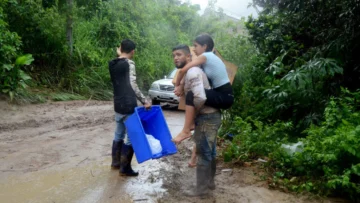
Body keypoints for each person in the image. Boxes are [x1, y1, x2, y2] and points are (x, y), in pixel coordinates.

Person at [172, 44, 221, 196]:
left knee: (204, 153)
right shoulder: (190, 72)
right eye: (173, 55)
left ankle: (202, 191)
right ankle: (209, 183)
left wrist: (193, 115)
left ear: (188, 56)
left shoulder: (193, 72)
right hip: (211, 116)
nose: (175, 58)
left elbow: (200, 97)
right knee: (210, 152)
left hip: (207, 117)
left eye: (179, 54)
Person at [172, 34, 234, 144]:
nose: (194, 49)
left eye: (195, 46)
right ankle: (190, 125)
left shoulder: (206, 56)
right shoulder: (209, 58)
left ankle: (186, 130)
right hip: (224, 94)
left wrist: (177, 86)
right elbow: (188, 71)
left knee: (191, 95)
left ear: (204, 46)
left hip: (224, 96)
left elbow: (182, 70)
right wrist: (182, 86)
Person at [109, 39, 150, 176]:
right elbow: (133, 85)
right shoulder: (129, 63)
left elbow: (119, 58)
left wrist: (119, 52)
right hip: (128, 104)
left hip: (117, 104)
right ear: (133, 51)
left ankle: (115, 163)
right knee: (131, 137)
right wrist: (144, 101)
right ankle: (125, 168)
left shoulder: (112, 64)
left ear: (120, 49)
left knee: (118, 134)